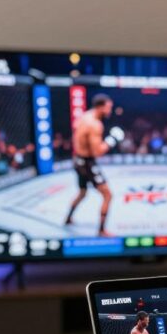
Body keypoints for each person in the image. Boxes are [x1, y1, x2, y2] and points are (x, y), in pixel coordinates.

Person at [66, 94, 115, 237]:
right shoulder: (95, 125)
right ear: (100, 107)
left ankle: (68, 218)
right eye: (108, 107)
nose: (110, 110)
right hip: (87, 162)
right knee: (107, 194)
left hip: (77, 159)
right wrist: (111, 141)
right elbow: (98, 152)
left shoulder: (85, 116)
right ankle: (101, 230)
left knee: (82, 192)